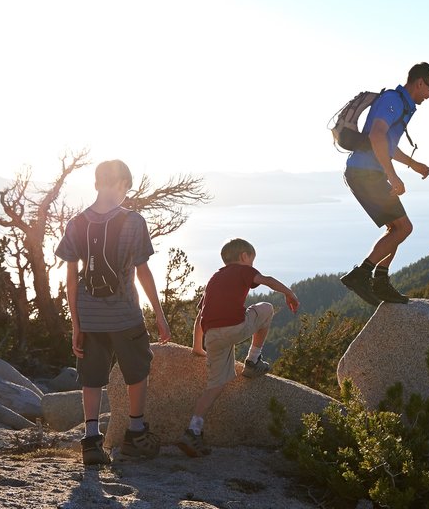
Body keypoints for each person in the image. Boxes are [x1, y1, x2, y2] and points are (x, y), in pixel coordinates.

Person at [56, 159, 172, 466]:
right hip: (125, 315)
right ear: (120, 184)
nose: (125, 195)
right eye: (126, 188)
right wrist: (159, 315)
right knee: (138, 370)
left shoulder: (76, 223)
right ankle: (135, 434)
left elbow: (71, 279)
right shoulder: (133, 221)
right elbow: (143, 271)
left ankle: (92, 442)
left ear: (97, 183)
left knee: (91, 378)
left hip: (89, 315)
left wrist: (75, 323)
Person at [177, 238, 300, 457]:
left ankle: (193, 430)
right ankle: (253, 360)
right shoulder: (242, 270)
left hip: (212, 335)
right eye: (252, 259)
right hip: (235, 327)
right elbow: (267, 280)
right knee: (266, 308)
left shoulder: (214, 278)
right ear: (244, 256)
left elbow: (200, 315)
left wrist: (197, 347)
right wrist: (289, 293)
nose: (252, 264)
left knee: (214, 386)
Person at [339, 62, 429, 305]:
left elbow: (386, 144)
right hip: (364, 173)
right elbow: (376, 135)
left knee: (397, 228)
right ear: (419, 83)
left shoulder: (403, 105)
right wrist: (392, 175)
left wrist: (414, 165)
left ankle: (380, 281)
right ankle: (361, 275)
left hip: (368, 172)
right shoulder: (393, 100)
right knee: (403, 228)